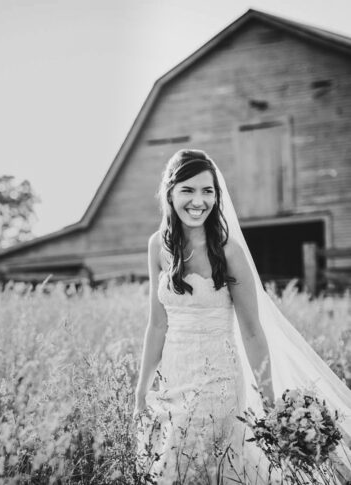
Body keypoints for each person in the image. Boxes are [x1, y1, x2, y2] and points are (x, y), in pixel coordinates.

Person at [133, 149, 351, 484]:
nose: (198, 201)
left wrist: (268, 402)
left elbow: (251, 331)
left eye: (207, 191)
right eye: (187, 190)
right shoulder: (156, 246)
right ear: (169, 193)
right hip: (172, 381)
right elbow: (157, 324)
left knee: (207, 468)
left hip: (218, 383)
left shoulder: (229, 252)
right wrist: (141, 391)